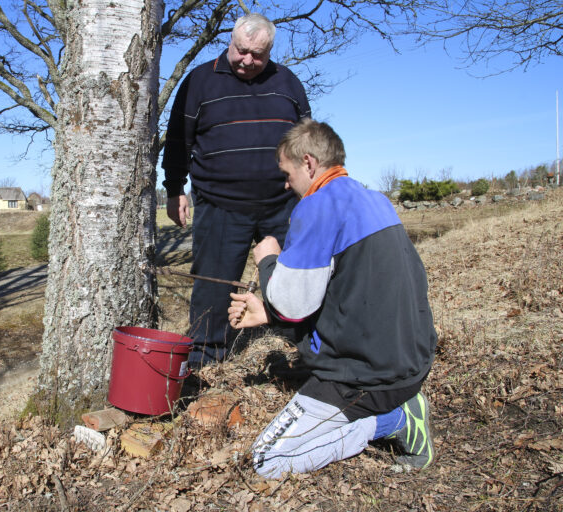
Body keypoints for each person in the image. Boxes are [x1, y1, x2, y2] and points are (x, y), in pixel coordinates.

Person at [227, 119, 437, 477]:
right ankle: (398, 404)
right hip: (411, 364)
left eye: (287, 172)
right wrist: (267, 314)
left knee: (266, 461)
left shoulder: (318, 205)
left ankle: (395, 421)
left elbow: (292, 306)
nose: (286, 182)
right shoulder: (373, 200)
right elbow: (348, 293)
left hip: (364, 379)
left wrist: (268, 261)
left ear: (308, 163)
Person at [162, 13, 311, 368]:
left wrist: (314, 190)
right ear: (230, 41)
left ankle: (299, 346)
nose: (247, 60)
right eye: (241, 50)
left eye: (257, 55)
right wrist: (174, 188)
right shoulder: (199, 80)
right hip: (220, 206)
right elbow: (178, 139)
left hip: (283, 205)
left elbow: (309, 143)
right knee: (213, 287)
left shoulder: (287, 83)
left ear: (270, 51)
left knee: (293, 277)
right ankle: (205, 361)